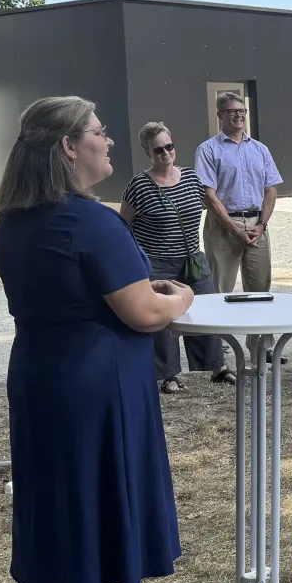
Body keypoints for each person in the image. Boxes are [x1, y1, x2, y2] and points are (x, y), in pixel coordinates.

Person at [0, 96, 194, 583]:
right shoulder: (90, 219)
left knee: (65, 499)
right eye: (100, 133)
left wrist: (140, 285)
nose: (109, 142)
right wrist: (178, 298)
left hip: (42, 375)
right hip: (94, 384)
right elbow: (143, 312)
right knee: (94, 502)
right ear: (68, 147)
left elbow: (82, 287)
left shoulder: (18, 219)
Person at [120, 122, 234, 393]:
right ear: (148, 152)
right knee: (162, 318)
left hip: (193, 259)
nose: (166, 153)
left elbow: (212, 206)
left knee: (204, 309)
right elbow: (123, 226)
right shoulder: (139, 185)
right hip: (156, 261)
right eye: (158, 149)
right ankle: (167, 374)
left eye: (169, 146)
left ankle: (216, 366)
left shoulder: (192, 178)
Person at [196, 91, 280, 294]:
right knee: (220, 290)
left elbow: (270, 191)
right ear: (220, 115)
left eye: (242, 111)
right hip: (223, 226)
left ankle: (255, 326)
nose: (239, 115)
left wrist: (261, 225)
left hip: (256, 227)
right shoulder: (208, 150)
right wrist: (234, 230)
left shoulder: (260, 150)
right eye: (232, 111)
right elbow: (208, 195)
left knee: (260, 291)